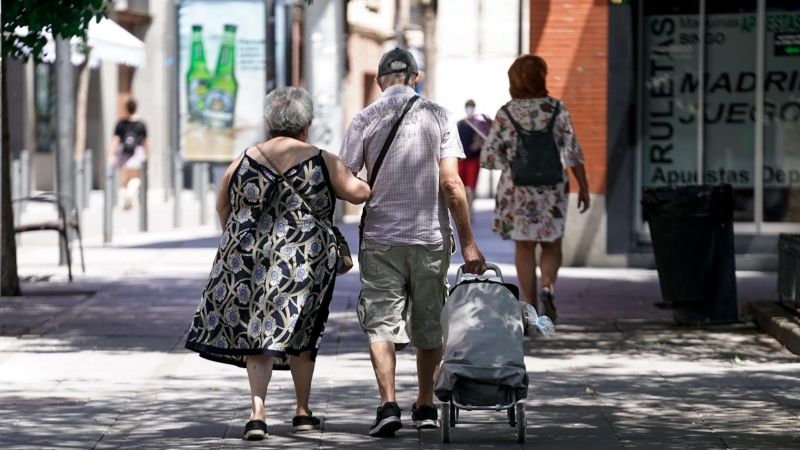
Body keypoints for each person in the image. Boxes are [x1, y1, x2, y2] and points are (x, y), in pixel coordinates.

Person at [185, 87, 370, 440]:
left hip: (250, 258)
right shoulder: (321, 158)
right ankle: (302, 412)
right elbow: (358, 193)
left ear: (269, 124)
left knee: (258, 333)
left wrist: (238, 240)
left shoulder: (244, 158)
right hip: (305, 261)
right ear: (306, 125)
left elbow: (222, 204)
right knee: (304, 331)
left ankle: (257, 414)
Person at [339, 48, 487, 438]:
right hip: (429, 238)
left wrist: (366, 193)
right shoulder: (439, 116)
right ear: (416, 79)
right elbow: (452, 184)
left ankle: (387, 403)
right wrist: (469, 243)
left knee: (381, 324)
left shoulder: (363, 118)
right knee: (429, 323)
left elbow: (347, 180)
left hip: (380, 239)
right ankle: (424, 405)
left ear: (379, 81)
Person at [481, 55, 590, 323]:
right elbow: (573, 151)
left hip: (518, 190)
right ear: (540, 77)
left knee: (525, 246)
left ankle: (530, 308)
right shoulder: (556, 109)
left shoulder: (506, 113)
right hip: (552, 188)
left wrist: (510, 158)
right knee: (552, 243)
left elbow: (489, 157)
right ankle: (548, 288)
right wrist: (584, 187)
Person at [108, 99, 148, 209]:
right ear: (136, 108)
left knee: (125, 178)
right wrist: (147, 156)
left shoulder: (120, 123)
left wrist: (111, 154)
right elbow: (145, 142)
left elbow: (115, 140)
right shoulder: (141, 124)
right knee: (135, 177)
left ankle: (126, 197)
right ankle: (130, 195)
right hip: (137, 151)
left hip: (123, 152)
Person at [456, 100, 492, 215]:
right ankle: (462, 208)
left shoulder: (478, 123)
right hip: (461, 159)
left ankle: (469, 209)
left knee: (471, 186)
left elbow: (486, 137)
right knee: (460, 185)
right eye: (468, 106)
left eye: (471, 106)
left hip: (473, 159)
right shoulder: (460, 123)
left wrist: (477, 144)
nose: (469, 108)